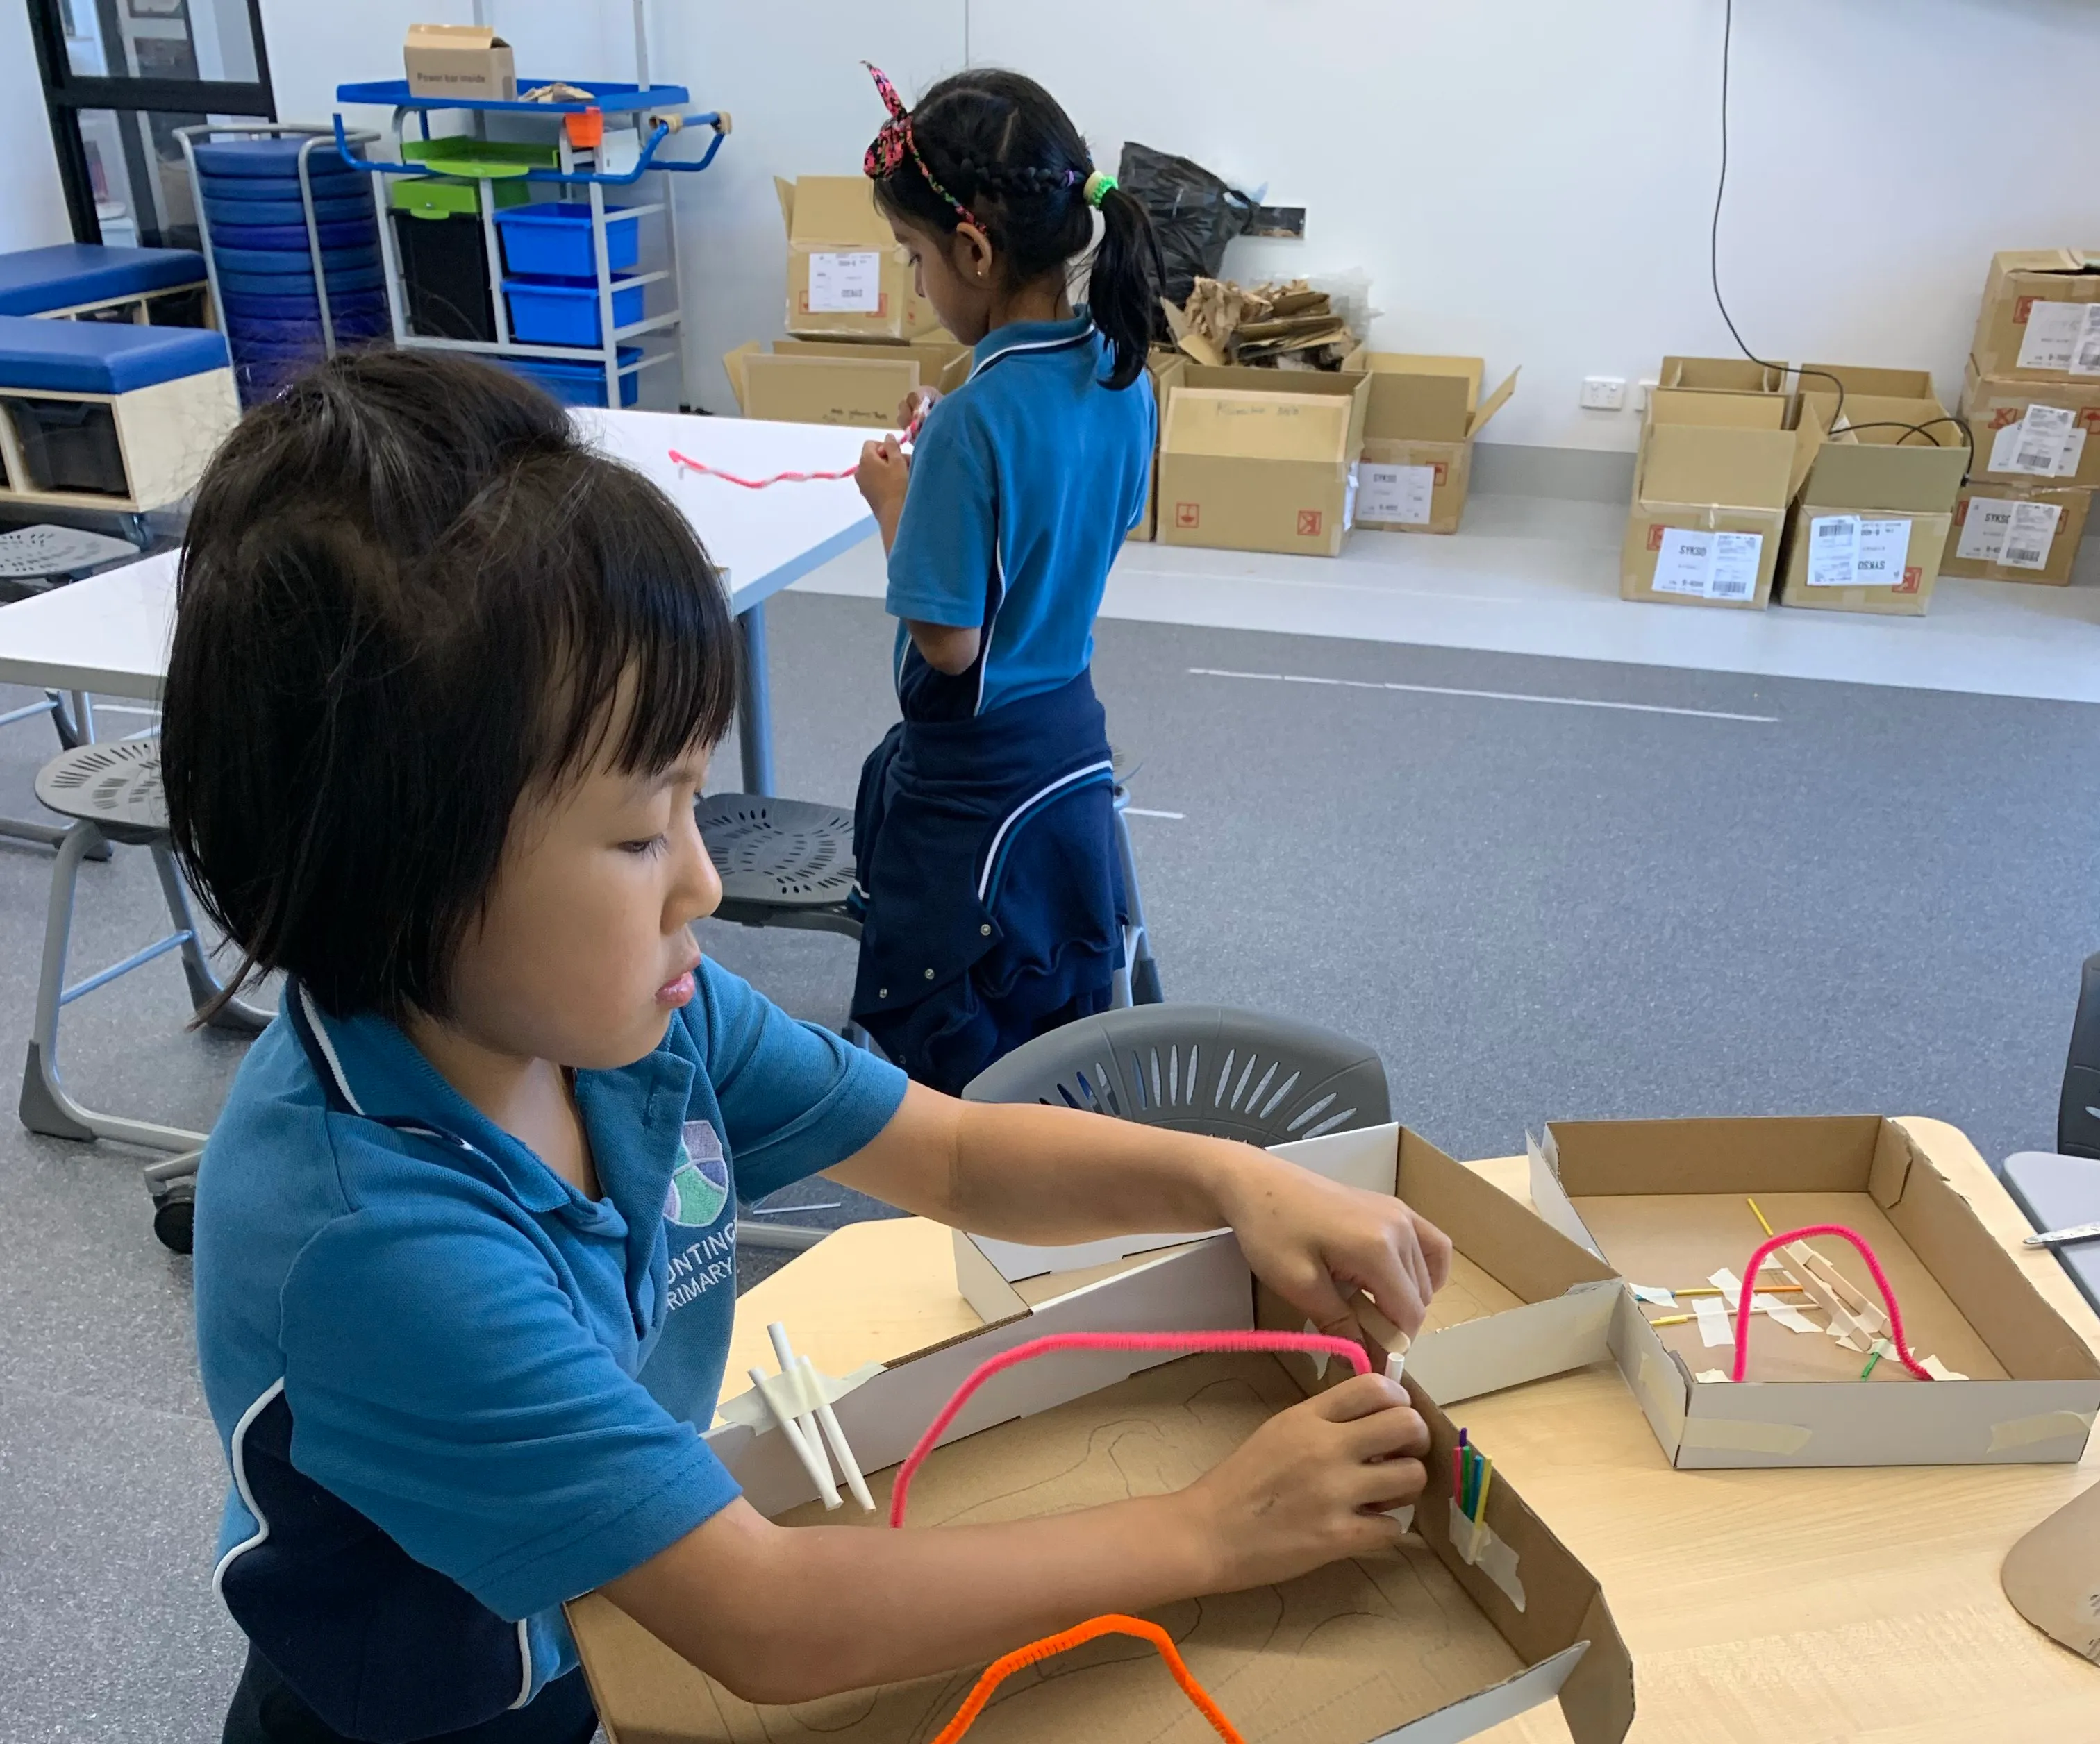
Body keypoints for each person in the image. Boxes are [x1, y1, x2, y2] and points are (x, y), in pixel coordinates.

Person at [163, 350, 1451, 1744]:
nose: (705, 884)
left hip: (599, 1603)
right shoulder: (377, 1242)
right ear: (399, 863)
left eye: (692, 805)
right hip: (431, 1706)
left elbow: (950, 1148)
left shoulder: (629, 1019)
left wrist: (1230, 1181)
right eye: (640, 831)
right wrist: (1207, 1530)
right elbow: (767, 1616)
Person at [849, 65, 1160, 1093]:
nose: (915, 283)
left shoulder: (974, 422)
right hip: (1069, 752)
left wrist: (900, 504)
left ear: (974, 251)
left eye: (916, 258)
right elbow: (1077, 532)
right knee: (1056, 1041)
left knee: (960, 1067)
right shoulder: (1123, 372)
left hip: (972, 781)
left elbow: (951, 642)